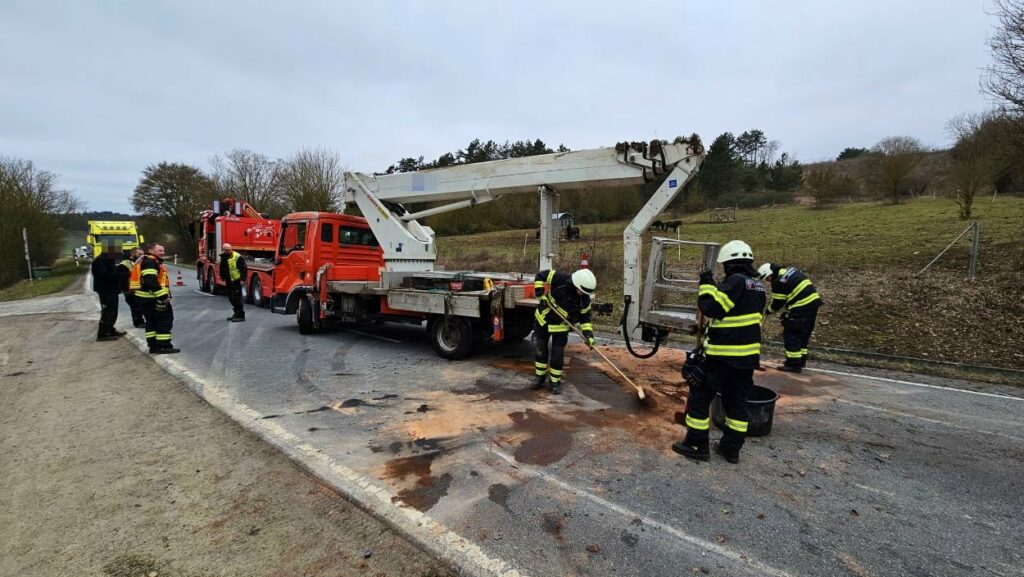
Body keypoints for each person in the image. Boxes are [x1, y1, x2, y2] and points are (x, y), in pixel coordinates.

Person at [673, 240, 766, 464]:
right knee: (736, 403)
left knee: (699, 398)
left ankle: (696, 445)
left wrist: (706, 284)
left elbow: (712, 308)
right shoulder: (757, 286)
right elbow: (734, 318)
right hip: (746, 359)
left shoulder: (735, 282)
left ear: (729, 264)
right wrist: (707, 329)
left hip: (723, 357)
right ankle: (730, 449)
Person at [531, 268, 597, 395]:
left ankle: (555, 382)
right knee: (540, 350)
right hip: (543, 321)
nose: (583, 294)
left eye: (585, 292)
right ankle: (539, 378)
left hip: (560, 327)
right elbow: (540, 276)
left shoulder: (584, 300)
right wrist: (540, 294)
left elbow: (585, 318)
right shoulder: (560, 278)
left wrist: (589, 335)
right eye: (581, 291)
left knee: (557, 355)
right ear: (576, 284)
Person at [758, 263, 822, 373]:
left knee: (792, 334)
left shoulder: (778, 281)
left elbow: (777, 303)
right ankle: (800, 361)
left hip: (801, 306)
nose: (768, 281)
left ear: (770, 274)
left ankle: (793, 364)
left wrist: (768, 310)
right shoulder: (790, 271)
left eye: (767, 278)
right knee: (803, 334)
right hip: (813, 304)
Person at [134, 243, 179, 354]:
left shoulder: (146, 260)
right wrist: (163, 296)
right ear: (151, 251)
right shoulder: (150, 262)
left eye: (163, 250)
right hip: (153, 299)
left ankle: (153, 346)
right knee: (164, 321)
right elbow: (150, 281)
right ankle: (163, 346)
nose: (163, 253)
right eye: (160, 250)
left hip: (146, 299)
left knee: (151, 323)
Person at [91, 244, 126, 341]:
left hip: (111, 289)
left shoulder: (108, 260)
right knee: (108, 312)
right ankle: (103, 334)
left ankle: (110, 330)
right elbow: (103, 275)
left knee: (113, 312)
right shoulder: (100, 261)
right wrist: (118, 274)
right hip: (106, 290)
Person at [219, 243, 247, 322]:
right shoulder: (223, 257)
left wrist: (242, 279)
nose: (228, 251)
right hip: (229, 280)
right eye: (226, 250)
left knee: (236, 298)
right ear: (223, 250)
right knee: (231, 298)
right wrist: (222, 276)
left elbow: (243, 269)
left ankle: (241, 315)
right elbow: (222, 267)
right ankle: (236, 313)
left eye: (229, 249)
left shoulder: (237, 256)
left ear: (231, 249)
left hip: (236, 280)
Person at [119, 247, 146, 328]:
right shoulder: (125, 264)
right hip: (130, 290)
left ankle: (141, 321)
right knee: (135, 307)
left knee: (140, 307)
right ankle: (138, 322)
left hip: (139, 289)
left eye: (143, 254)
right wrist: (127, 290)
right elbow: (122, 279)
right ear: (132, 254)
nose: (142, 256)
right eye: (139, 254)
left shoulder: (141, 262)